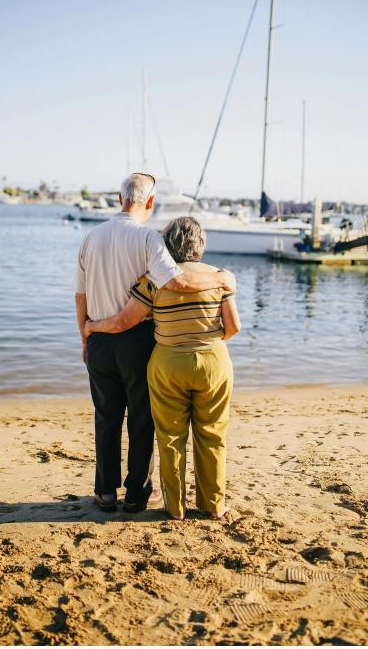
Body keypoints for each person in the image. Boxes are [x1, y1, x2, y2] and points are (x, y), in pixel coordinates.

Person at [75, 175, 236, 513]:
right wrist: (222, 280)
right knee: (141, 419)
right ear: (150, 202)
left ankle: (105, 493)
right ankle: (136, 494)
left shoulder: (90, 237)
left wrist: (85, 336)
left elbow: (81, 295)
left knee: (106, 417)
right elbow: (178, 279)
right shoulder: (149, 238)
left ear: (120, 198)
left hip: (99, 338)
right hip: (137, 341)